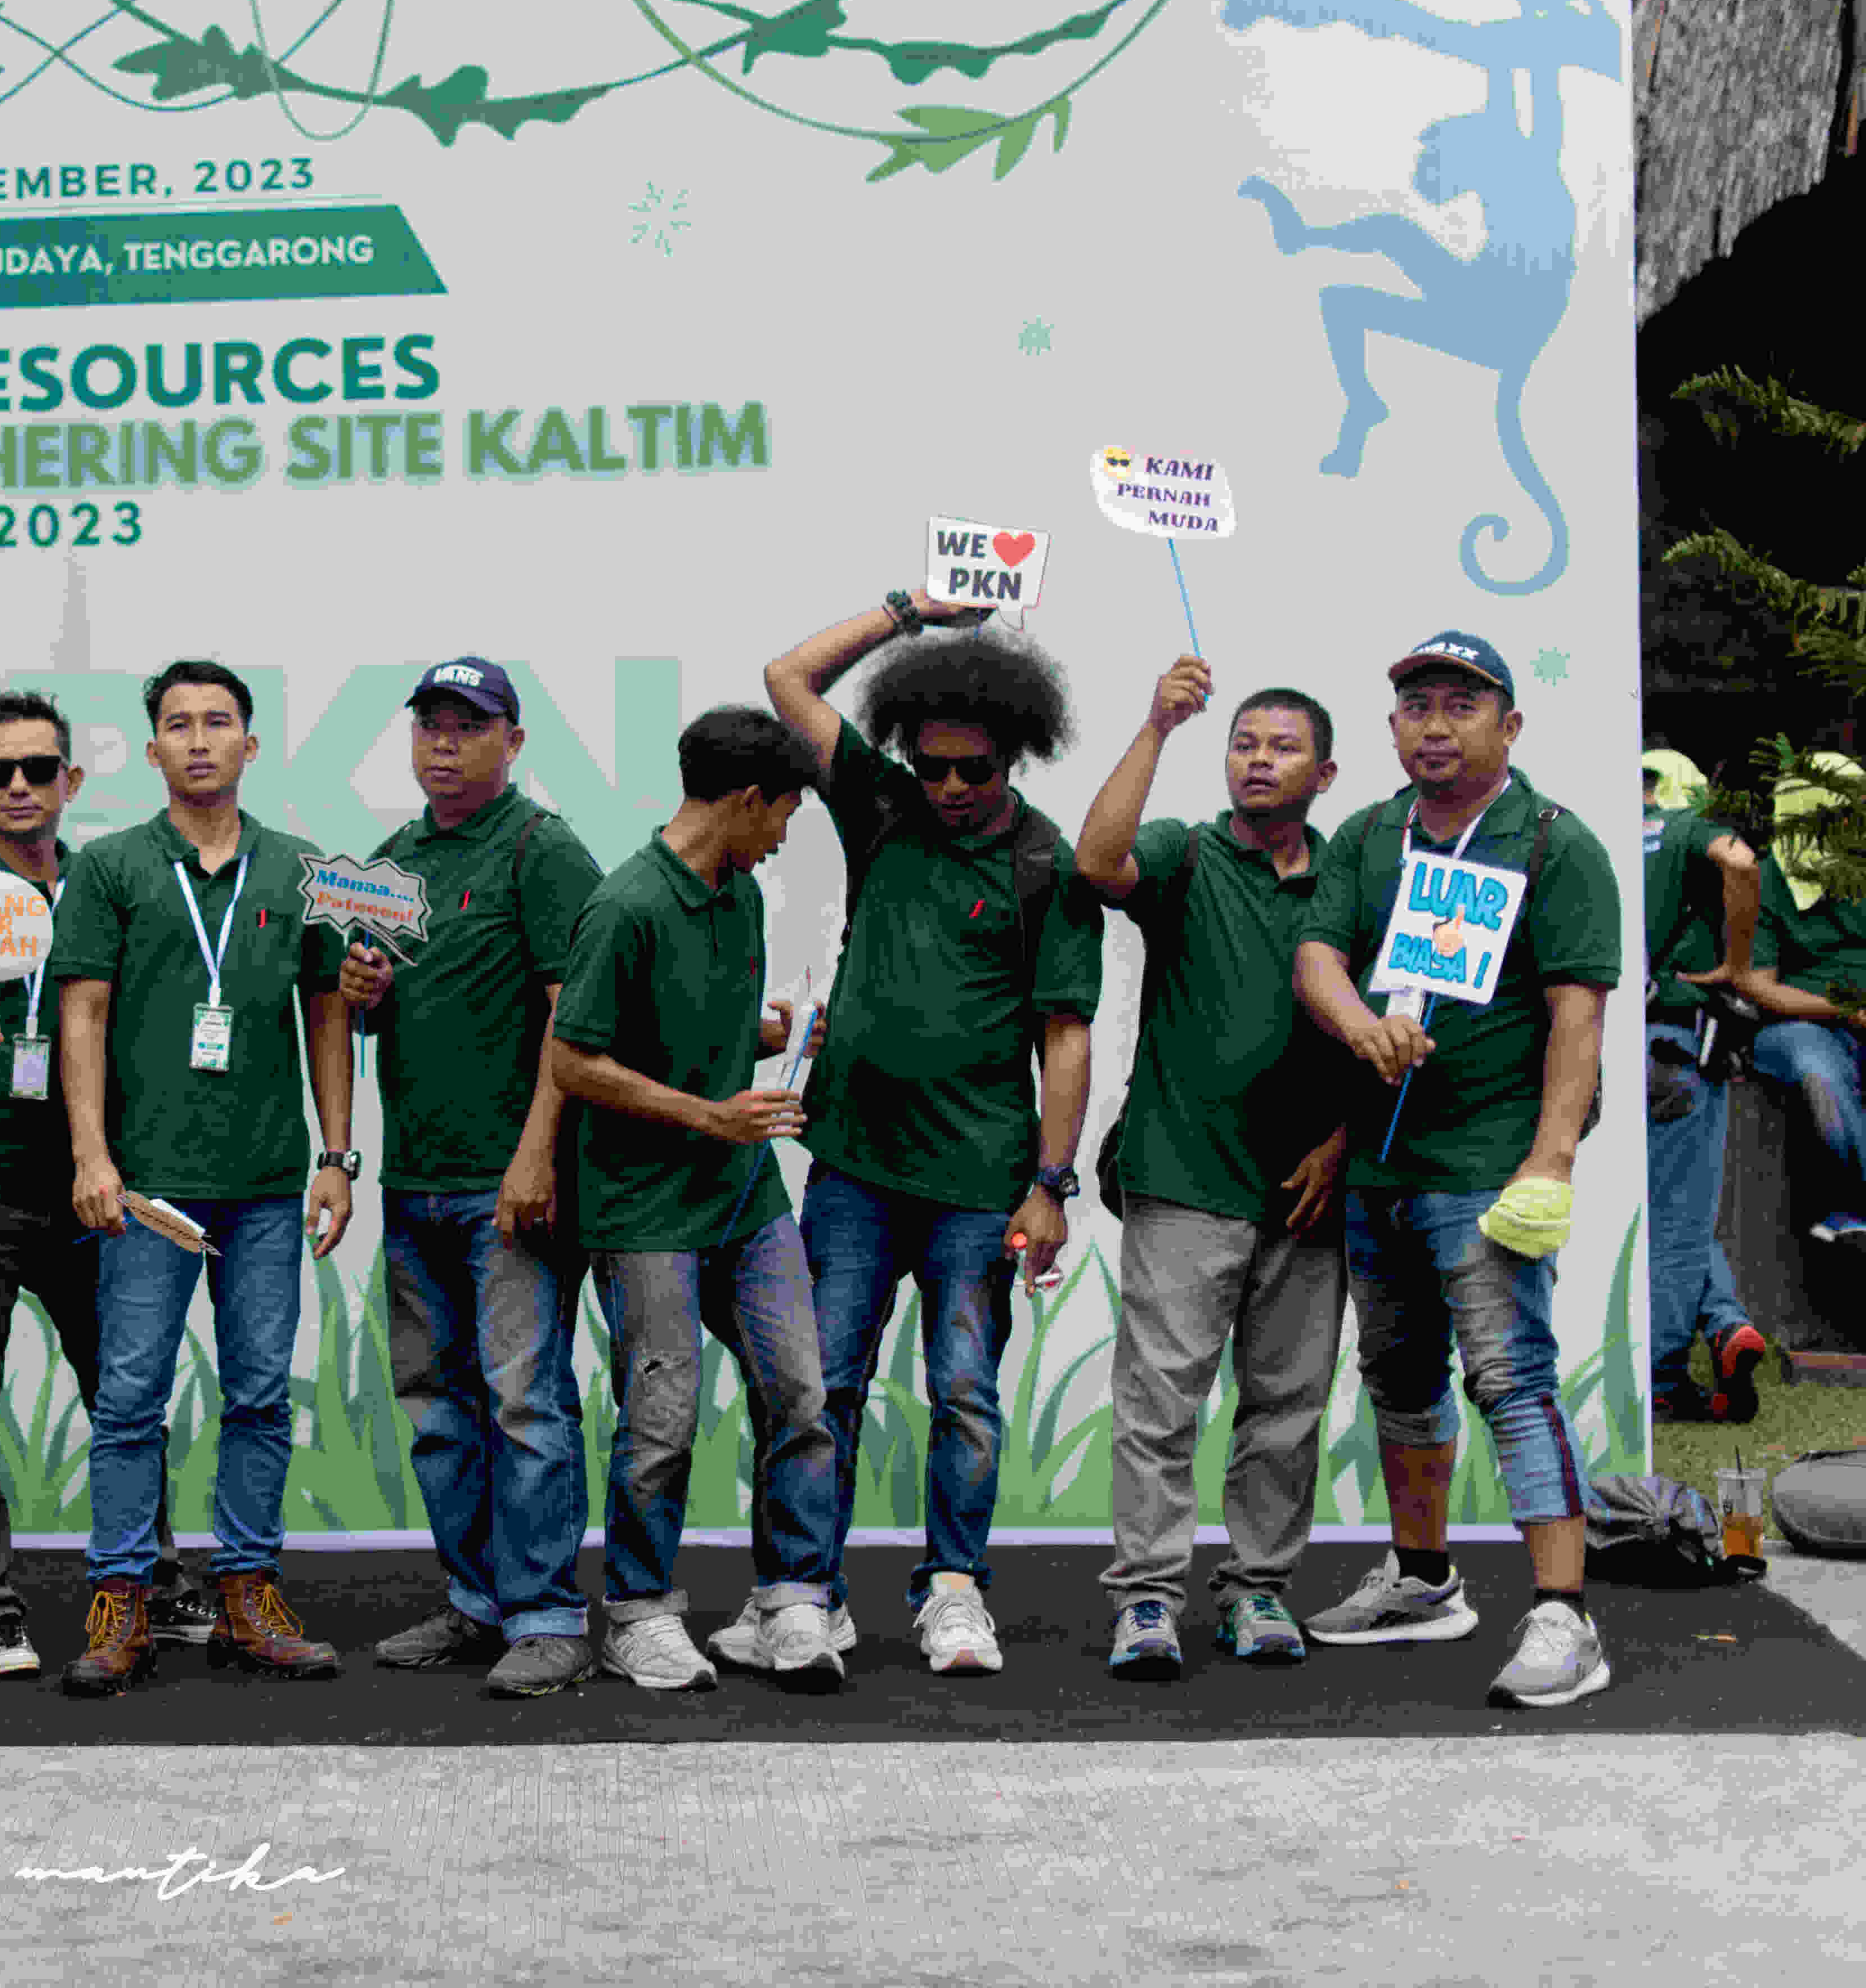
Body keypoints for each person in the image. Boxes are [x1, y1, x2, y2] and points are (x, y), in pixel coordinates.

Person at [763, 594, 1100, 1676]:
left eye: (974, 770)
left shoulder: (1045, 865)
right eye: (934, 765)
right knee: (823, 1386)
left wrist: (1052, 1183)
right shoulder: (882, 806)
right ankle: (806, 1594)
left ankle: (954, 1592)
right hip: (853, 1168)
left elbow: (1065, 1037)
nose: (950, 788)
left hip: (980, 1182)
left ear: (1016, 756)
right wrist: (908, 613)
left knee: (964, 1391)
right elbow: (787, 681)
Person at [1293, 630, 1623, 1708]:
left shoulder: (1556, 843)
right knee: (1398, 1378)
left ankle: (1565, 1617)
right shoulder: (1367, 833)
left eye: (1461, 705)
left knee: (1511, 1379)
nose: (1434, 726)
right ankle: (1423, 1579)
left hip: (1488, 1170)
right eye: (1416, 706)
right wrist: (1360, 1029)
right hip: (1382, 1171)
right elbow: (1316, 957)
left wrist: (1550, 1162)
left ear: (1509, 726)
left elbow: (1578, 1020)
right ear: (1392, 727)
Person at [56, 659, 356, 1695]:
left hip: (268, 1182)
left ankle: (248, 1593)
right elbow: (82, 1014)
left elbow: (328, 1015)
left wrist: (335, 1157)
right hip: (148, 1187)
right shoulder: (112, 866)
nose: (197, 739)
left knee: (261, 1396)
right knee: (130, 1400)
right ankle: (121, 1599)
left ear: (250, 744)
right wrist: (91, 1156)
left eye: (217, 722)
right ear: (152, 751)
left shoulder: (302, 871)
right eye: (178, 724)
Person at [0, 691, 205, 1679]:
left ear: (70, 780)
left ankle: (152, 1576)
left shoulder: (108, 884)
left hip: (89, 1191)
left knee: (125, 1395)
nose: (19, 786)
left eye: (38, 769)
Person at [546, 705, 847, 1694]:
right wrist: (707, 1116)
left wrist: (775, 1036)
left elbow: (694, 1026)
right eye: (785, 814)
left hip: (747, 1200)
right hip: (644, 1209)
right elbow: (575, 1059)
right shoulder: (624, 905)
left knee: (801, 1393)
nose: (785, 837)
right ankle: (637, 1612)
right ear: (749, 800)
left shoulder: (741, 895)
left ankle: (790, 1599)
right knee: (662, 1417)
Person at [1071, 658, 1353, 1680]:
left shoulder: (1355, 876)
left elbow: (1400, 1016)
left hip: (1310, 1193)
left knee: (1287, 1408)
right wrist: (1158, 725)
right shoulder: (1183, 852)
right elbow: (1096, 862)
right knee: (1159, 1406)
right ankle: (1147, 1599)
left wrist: (1343, 1143)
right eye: (1244, 744)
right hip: (1183, 1173)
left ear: (1325, 775)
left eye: (1283, 747)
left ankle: (1257, 1590)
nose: (1257, 761)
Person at [334, 657, 606, 1699]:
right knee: (437, 1407)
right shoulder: (392, 863)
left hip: (508, 1186)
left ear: (514, 741)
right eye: (430, 725)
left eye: (468, 724)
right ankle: (478, 1600)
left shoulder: (543, 850)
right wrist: (363, 992)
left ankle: (548, 1616)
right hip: (414, 1181)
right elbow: (376, 1012)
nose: (443, 743)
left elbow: (573, 1020)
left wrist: (535, 1157)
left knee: (524, 1404)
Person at [1635, 749, 1768, 1423]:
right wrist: (1737, 966)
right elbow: (1740, 862)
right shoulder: (1687, 828)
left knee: (1652, 1207)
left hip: (1602, 1048)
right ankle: (1660, 1376)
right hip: (1677, 1046)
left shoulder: (1597, 831)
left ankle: (1724, 1323)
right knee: (1679, 1220)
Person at [1743, 752, 1866, 1249]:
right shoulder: (1764, 879)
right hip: (1803, 1024)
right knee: (1819, 1075)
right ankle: (1853, 1209)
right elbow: (1757, 985)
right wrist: (1846, 1011)